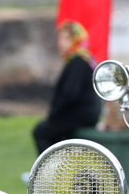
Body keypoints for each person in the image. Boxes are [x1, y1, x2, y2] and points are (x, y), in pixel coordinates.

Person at [32, 20, 103, 154]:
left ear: (76, 39)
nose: (60, 43)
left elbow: (70, 93)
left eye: (65, 39)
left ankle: (49, 169)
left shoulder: (78, 62)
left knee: (41, 131)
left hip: (80, 116)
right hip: (84, 115)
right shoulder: (83, 60)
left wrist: (54, 114)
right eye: (60, 39)